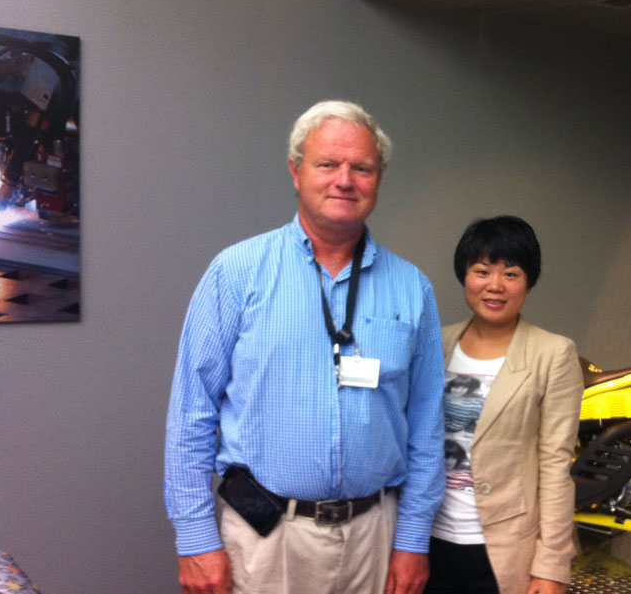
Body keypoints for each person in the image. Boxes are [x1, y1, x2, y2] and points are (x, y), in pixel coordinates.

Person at [164, 100, 446, 594]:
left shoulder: (412, 289)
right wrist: (195, 538)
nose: (345, 180)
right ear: (296, 172)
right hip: (264, 538)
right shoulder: (236, 273)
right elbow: (192, 413)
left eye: (362, 168)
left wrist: (413, 539)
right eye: (327, 164)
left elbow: (426, 425)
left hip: (375, 539)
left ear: (379, 179)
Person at [426, 216, 584, 594]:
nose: (495, 285)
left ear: (528, 281)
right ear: (464, 275)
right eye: (482, 271)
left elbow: (555, 465)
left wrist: (552, 565)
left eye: (511, 274)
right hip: (428, 543)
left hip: (505, 550)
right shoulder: (435, 344)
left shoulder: (553, 353)